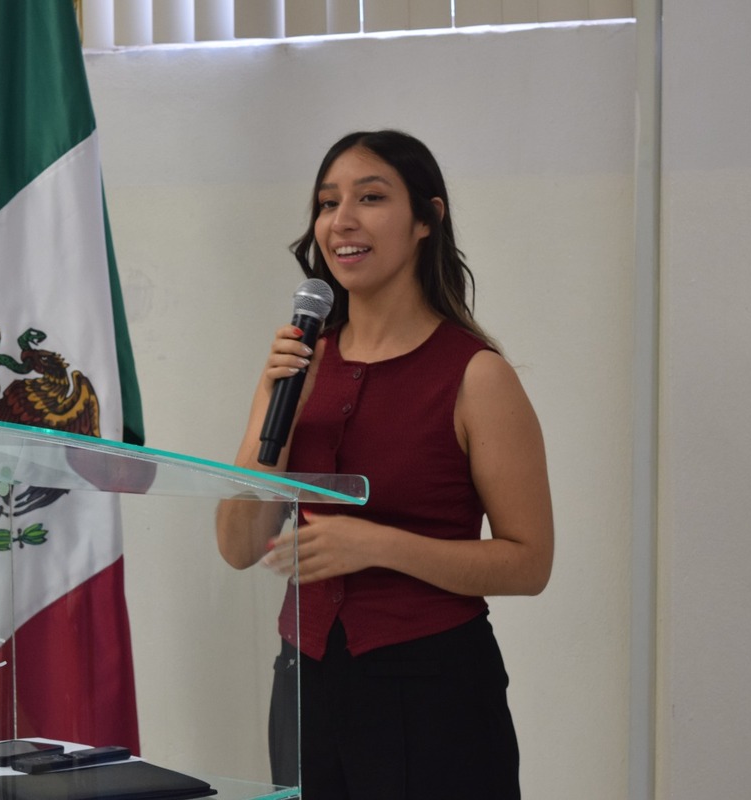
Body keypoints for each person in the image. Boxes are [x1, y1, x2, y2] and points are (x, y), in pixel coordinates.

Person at [215, 130, 553, 799]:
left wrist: (376, 545)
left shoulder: (476, 376)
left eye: (370, 198)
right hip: (304, 678)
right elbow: (237, 546)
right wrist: (280, 414)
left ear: (427, 219)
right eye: (327, 202)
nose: (342, 220)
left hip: (433, 687)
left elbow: (529, 562)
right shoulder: (296, 363)